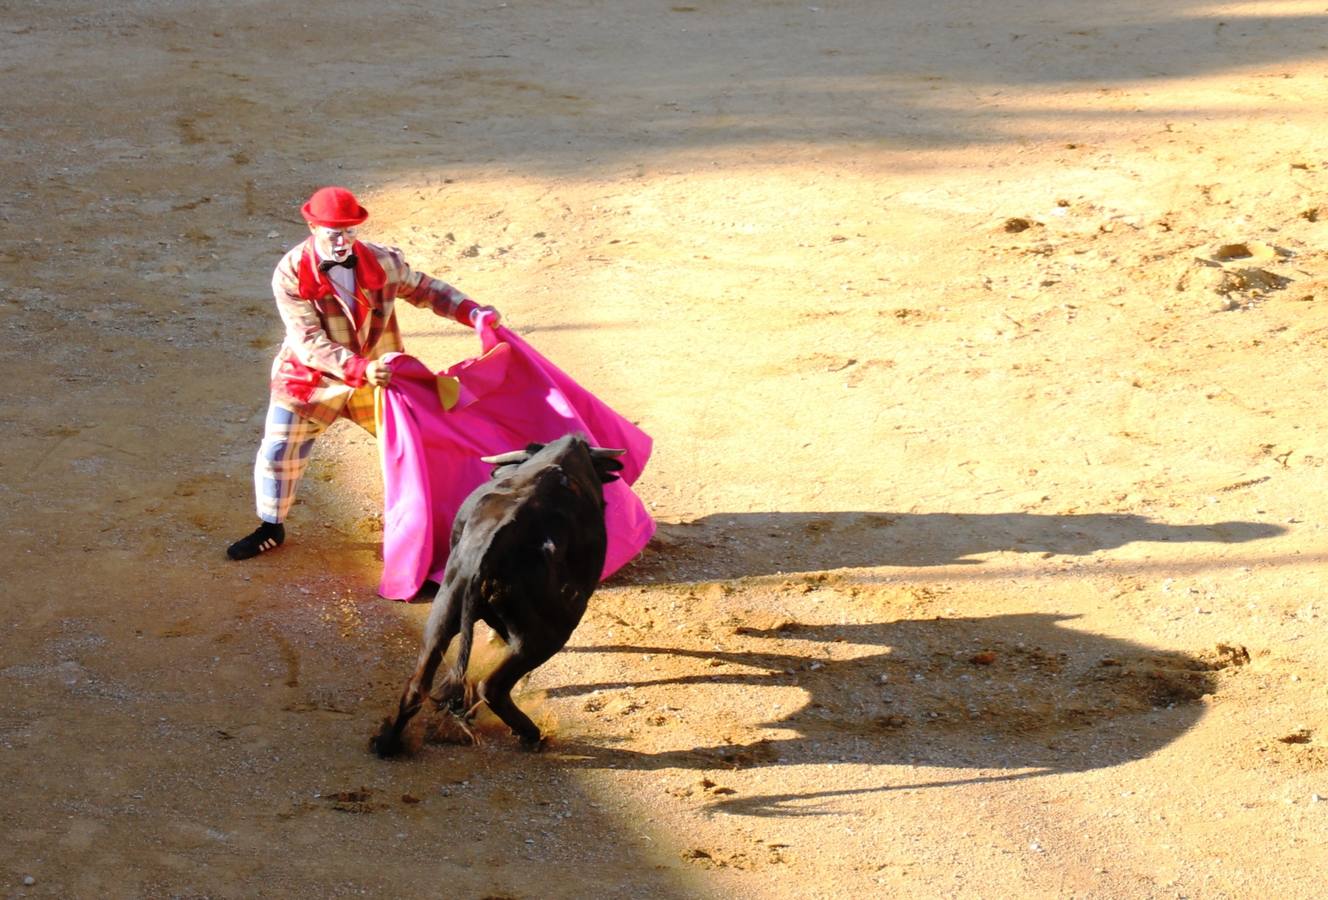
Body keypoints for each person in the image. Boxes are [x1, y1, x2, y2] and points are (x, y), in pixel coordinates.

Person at [227, 186, 500, 561]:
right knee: (278, 450)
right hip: (312, 379)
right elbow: (307, 340)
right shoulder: (290, 272)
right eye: (333, 232)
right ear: (312, 227)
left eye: (350, 231)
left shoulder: (382, 260)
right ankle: (270, 527)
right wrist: (360, 367)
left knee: (419, 446)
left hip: (378, 379)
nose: (342, 241)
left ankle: (431, 525)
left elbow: (424, 289)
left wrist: (470, 311)